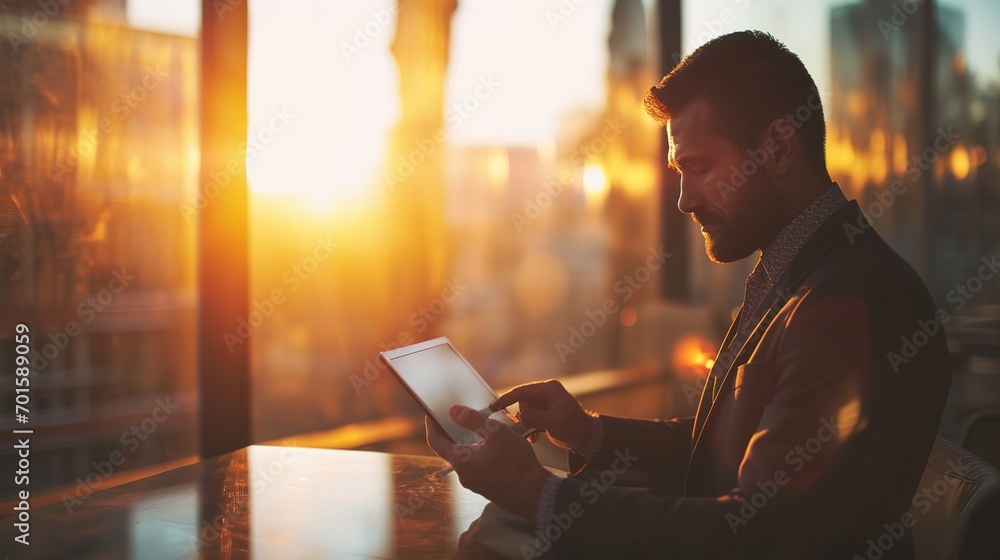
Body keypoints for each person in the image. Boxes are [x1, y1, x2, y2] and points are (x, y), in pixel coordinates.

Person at [425, 30, 950, 559]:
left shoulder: (850, 302)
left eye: (698, 168)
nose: (683, 200)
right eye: (679, 172)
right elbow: (728, 453)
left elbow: (759, 532)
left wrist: (533, 491)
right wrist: (587, 434)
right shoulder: (802, 273)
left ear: (779, 147)